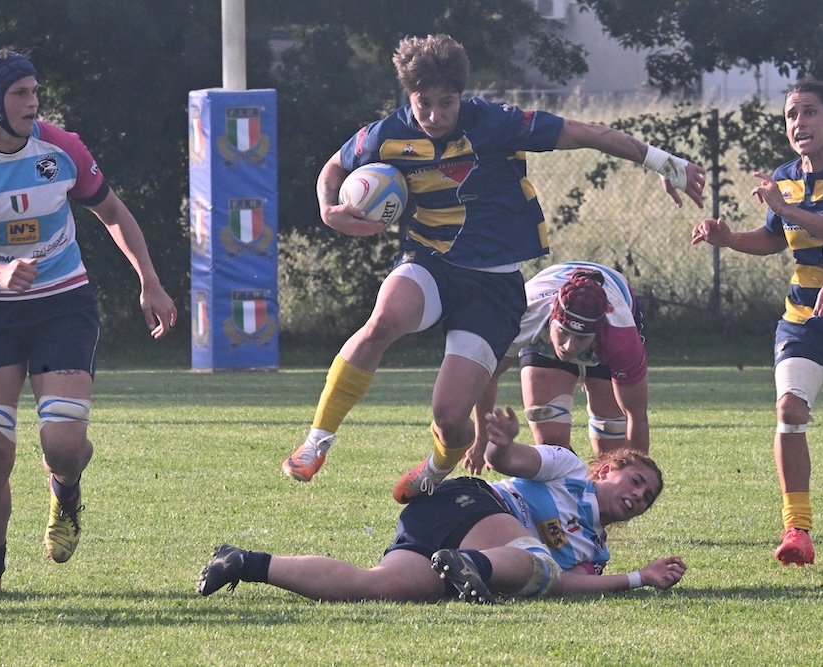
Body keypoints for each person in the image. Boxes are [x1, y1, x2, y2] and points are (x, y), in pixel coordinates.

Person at [281, 33, 706, 504]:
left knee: (448, 416)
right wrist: (327, 208)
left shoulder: (497, 123)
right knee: (383, 319)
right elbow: (333, 169)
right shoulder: (388, 134)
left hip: (494, 286)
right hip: (430, 259)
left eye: (448, 103)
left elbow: (588, 133)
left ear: (462, 95)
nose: (436, 115)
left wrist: (665, 162)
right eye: (425, 104)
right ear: (409, 96)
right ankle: (316, 443)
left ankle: (440, 463)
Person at [0, 50, 177, 597]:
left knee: (62, 445)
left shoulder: (61, 148)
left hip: (63, 304)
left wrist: (148, 281)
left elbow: (112, 211)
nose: (32, 102)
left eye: (35, 91)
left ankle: (65, 491)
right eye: (19, 93)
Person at [690, 79, 823, 567]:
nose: (798, 124)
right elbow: (773, 239)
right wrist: (729, 239)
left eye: (809, 113)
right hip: (807, 320)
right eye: (790, 116)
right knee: (789, 409)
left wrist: (785, 208)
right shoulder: (785, 176)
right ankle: (796, 528)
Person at [202, 405, 686, 603]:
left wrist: (640, 577)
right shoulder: (570, 469)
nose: (640, 495)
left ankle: (246, 562)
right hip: (467, 500)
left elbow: (567, 587)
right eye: (637, 480)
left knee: (379, 588)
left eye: (647, 498)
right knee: (536, 562)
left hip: (445, 529)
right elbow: (509, 460)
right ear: (607, 469)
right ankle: (469, 563)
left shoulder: (594, 553)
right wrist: (500, 442)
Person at [464, 261, 648, 477]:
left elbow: (636, 415)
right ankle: (570, 494)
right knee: (550, 437)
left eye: (581, 338)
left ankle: (600, 500)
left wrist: (638, 478)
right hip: (542, 317)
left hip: (613, 308)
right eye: (564, 332)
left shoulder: (620, 337)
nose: (569, 346)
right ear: (552, 319)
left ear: (597, 333)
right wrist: (481, 439)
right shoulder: (522, 315)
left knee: (612, 447)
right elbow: (488, 376)